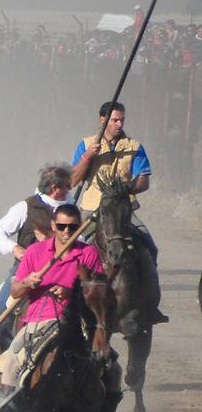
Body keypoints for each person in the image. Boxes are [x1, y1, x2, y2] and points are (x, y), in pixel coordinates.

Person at [0, 202, 106, 388]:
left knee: (111, 369)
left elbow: (100, 294)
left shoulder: (88, 253)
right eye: (62, 226)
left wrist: (71, 291)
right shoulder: (34, 252)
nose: (67, 231)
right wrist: (27, 282)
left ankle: (107, 408)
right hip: (40, 320)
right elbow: (15, 291)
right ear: (53, 226)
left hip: (81, 321)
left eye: (73, 227)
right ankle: (12, 410)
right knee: (10, 367)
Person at [68, 99, 161, 321]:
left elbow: (144, 180)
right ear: (102, 120)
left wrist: (129, 187)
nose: (119, 124)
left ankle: (149, 305)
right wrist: (88, 157)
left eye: (121, 120)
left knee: (149, 245)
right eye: (114, 120)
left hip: (123, 211)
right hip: (91, 211)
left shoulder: (134, 146)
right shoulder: (86, 143)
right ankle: (68, 305)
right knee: (70, 251)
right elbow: (72, 179)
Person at [0, 165, 71, 352]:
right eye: (67, 185)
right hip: (26, 270)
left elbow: (80, 240)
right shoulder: (26, 207)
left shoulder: (70, 210)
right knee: (0, 307)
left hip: (64, 270)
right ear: (55, 187)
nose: (70, 189)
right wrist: (14, 247)